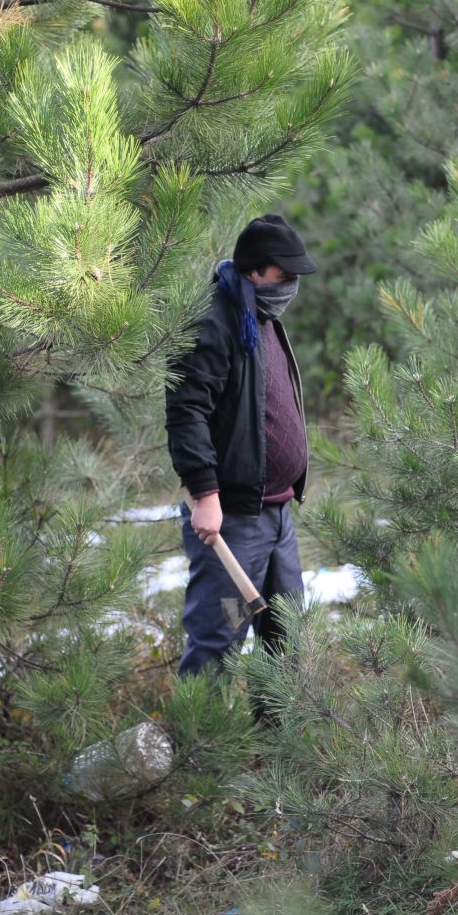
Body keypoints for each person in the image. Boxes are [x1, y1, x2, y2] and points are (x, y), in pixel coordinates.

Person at [165, 214, 316, 676]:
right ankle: (201, 747)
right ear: (255, 272)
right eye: (283, 274)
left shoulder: (261, 313)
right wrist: (207, 496)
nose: (291, 283)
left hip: (276, 517)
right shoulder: (214, 320)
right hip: (233, 524)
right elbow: (187, 410)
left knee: (285, 637)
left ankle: (276, 745)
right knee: (220, 640)